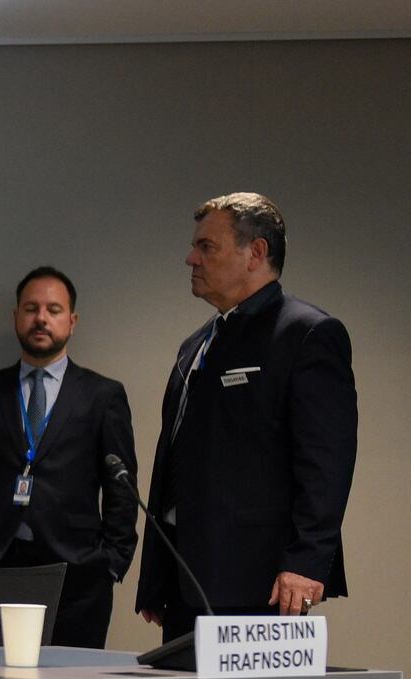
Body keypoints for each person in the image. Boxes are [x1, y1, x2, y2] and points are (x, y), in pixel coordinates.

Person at [136, 193, 356, 641]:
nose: (190, 258)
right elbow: (174, 460)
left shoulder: (307, 333)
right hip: (187, 578)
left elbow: (326, 462)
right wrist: (156, 572)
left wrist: (307, 562)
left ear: (256, 253)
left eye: (207, 247)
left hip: (263, 582)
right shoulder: (196, 343)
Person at [0, 267, 138, 648]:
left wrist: (111, 563)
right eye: (31, 308)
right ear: (16, 316)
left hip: (78, 574)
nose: (41, 319)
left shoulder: (102, 395)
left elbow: (123, 488)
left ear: (72, 320)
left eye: (53, 309)